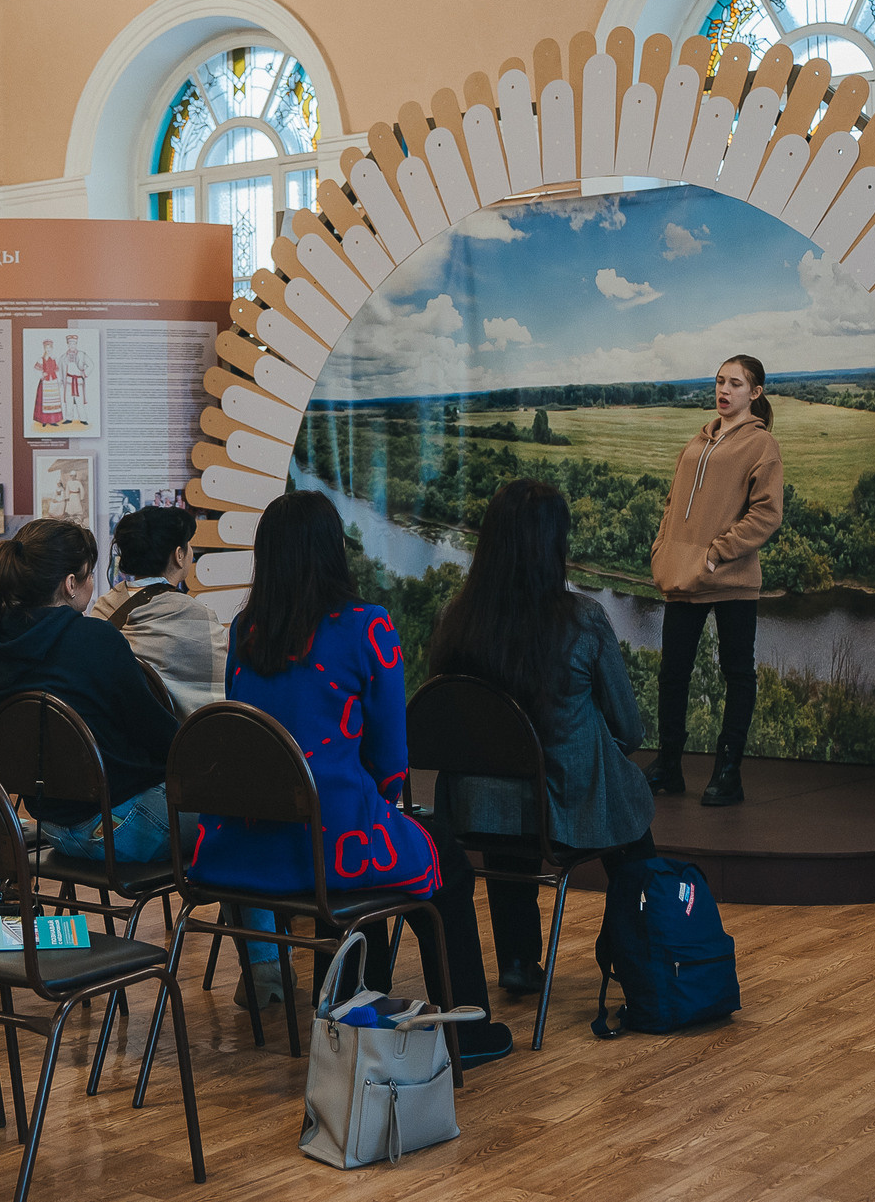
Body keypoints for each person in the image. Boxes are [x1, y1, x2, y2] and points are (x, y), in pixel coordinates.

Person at [188, 489, 512, 1067]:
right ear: (333, 552)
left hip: (248, 845)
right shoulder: (368, 626)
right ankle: (464, 1032)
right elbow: (391, 761)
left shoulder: (244, 631)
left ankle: (353, 1004)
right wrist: (384, 801)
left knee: (392, 862)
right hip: (335, 844)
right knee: (445, 864)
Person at [424, 480, 657, 998]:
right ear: (554, 545)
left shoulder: (456, 620)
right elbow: (630, 730)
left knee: (507, 800)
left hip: (473, 811)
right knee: (632, 824)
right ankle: (638, 949)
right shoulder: (584, 620)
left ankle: (516, 957)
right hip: (561, 810)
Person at [0, 519, 179, 862]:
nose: (94, 584)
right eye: (90, 575)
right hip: (121, 827)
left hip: (49, 827)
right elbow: (162, 739)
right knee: (237, 820)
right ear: (70, 584)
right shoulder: (96, 640)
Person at [645, 354, 783, 809]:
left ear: (755, 393)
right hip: (685, 576)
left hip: (733, 579)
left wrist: (715, 553)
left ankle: (728, 772)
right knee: (673, 673)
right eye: (720, 382)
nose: (724, 391)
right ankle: (668, 765)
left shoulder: (761, 445)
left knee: (737, 673)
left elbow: (766, 514)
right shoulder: (699, 440)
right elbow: (673, 502)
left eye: (736, 384)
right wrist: (662, 548)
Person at [86, 505, 226, 713]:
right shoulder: (200, 617)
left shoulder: (104, 608)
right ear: (179, 555)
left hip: (113, 741)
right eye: (188, 546)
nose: (191, 554)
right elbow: (216, 704)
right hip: (177, 742)